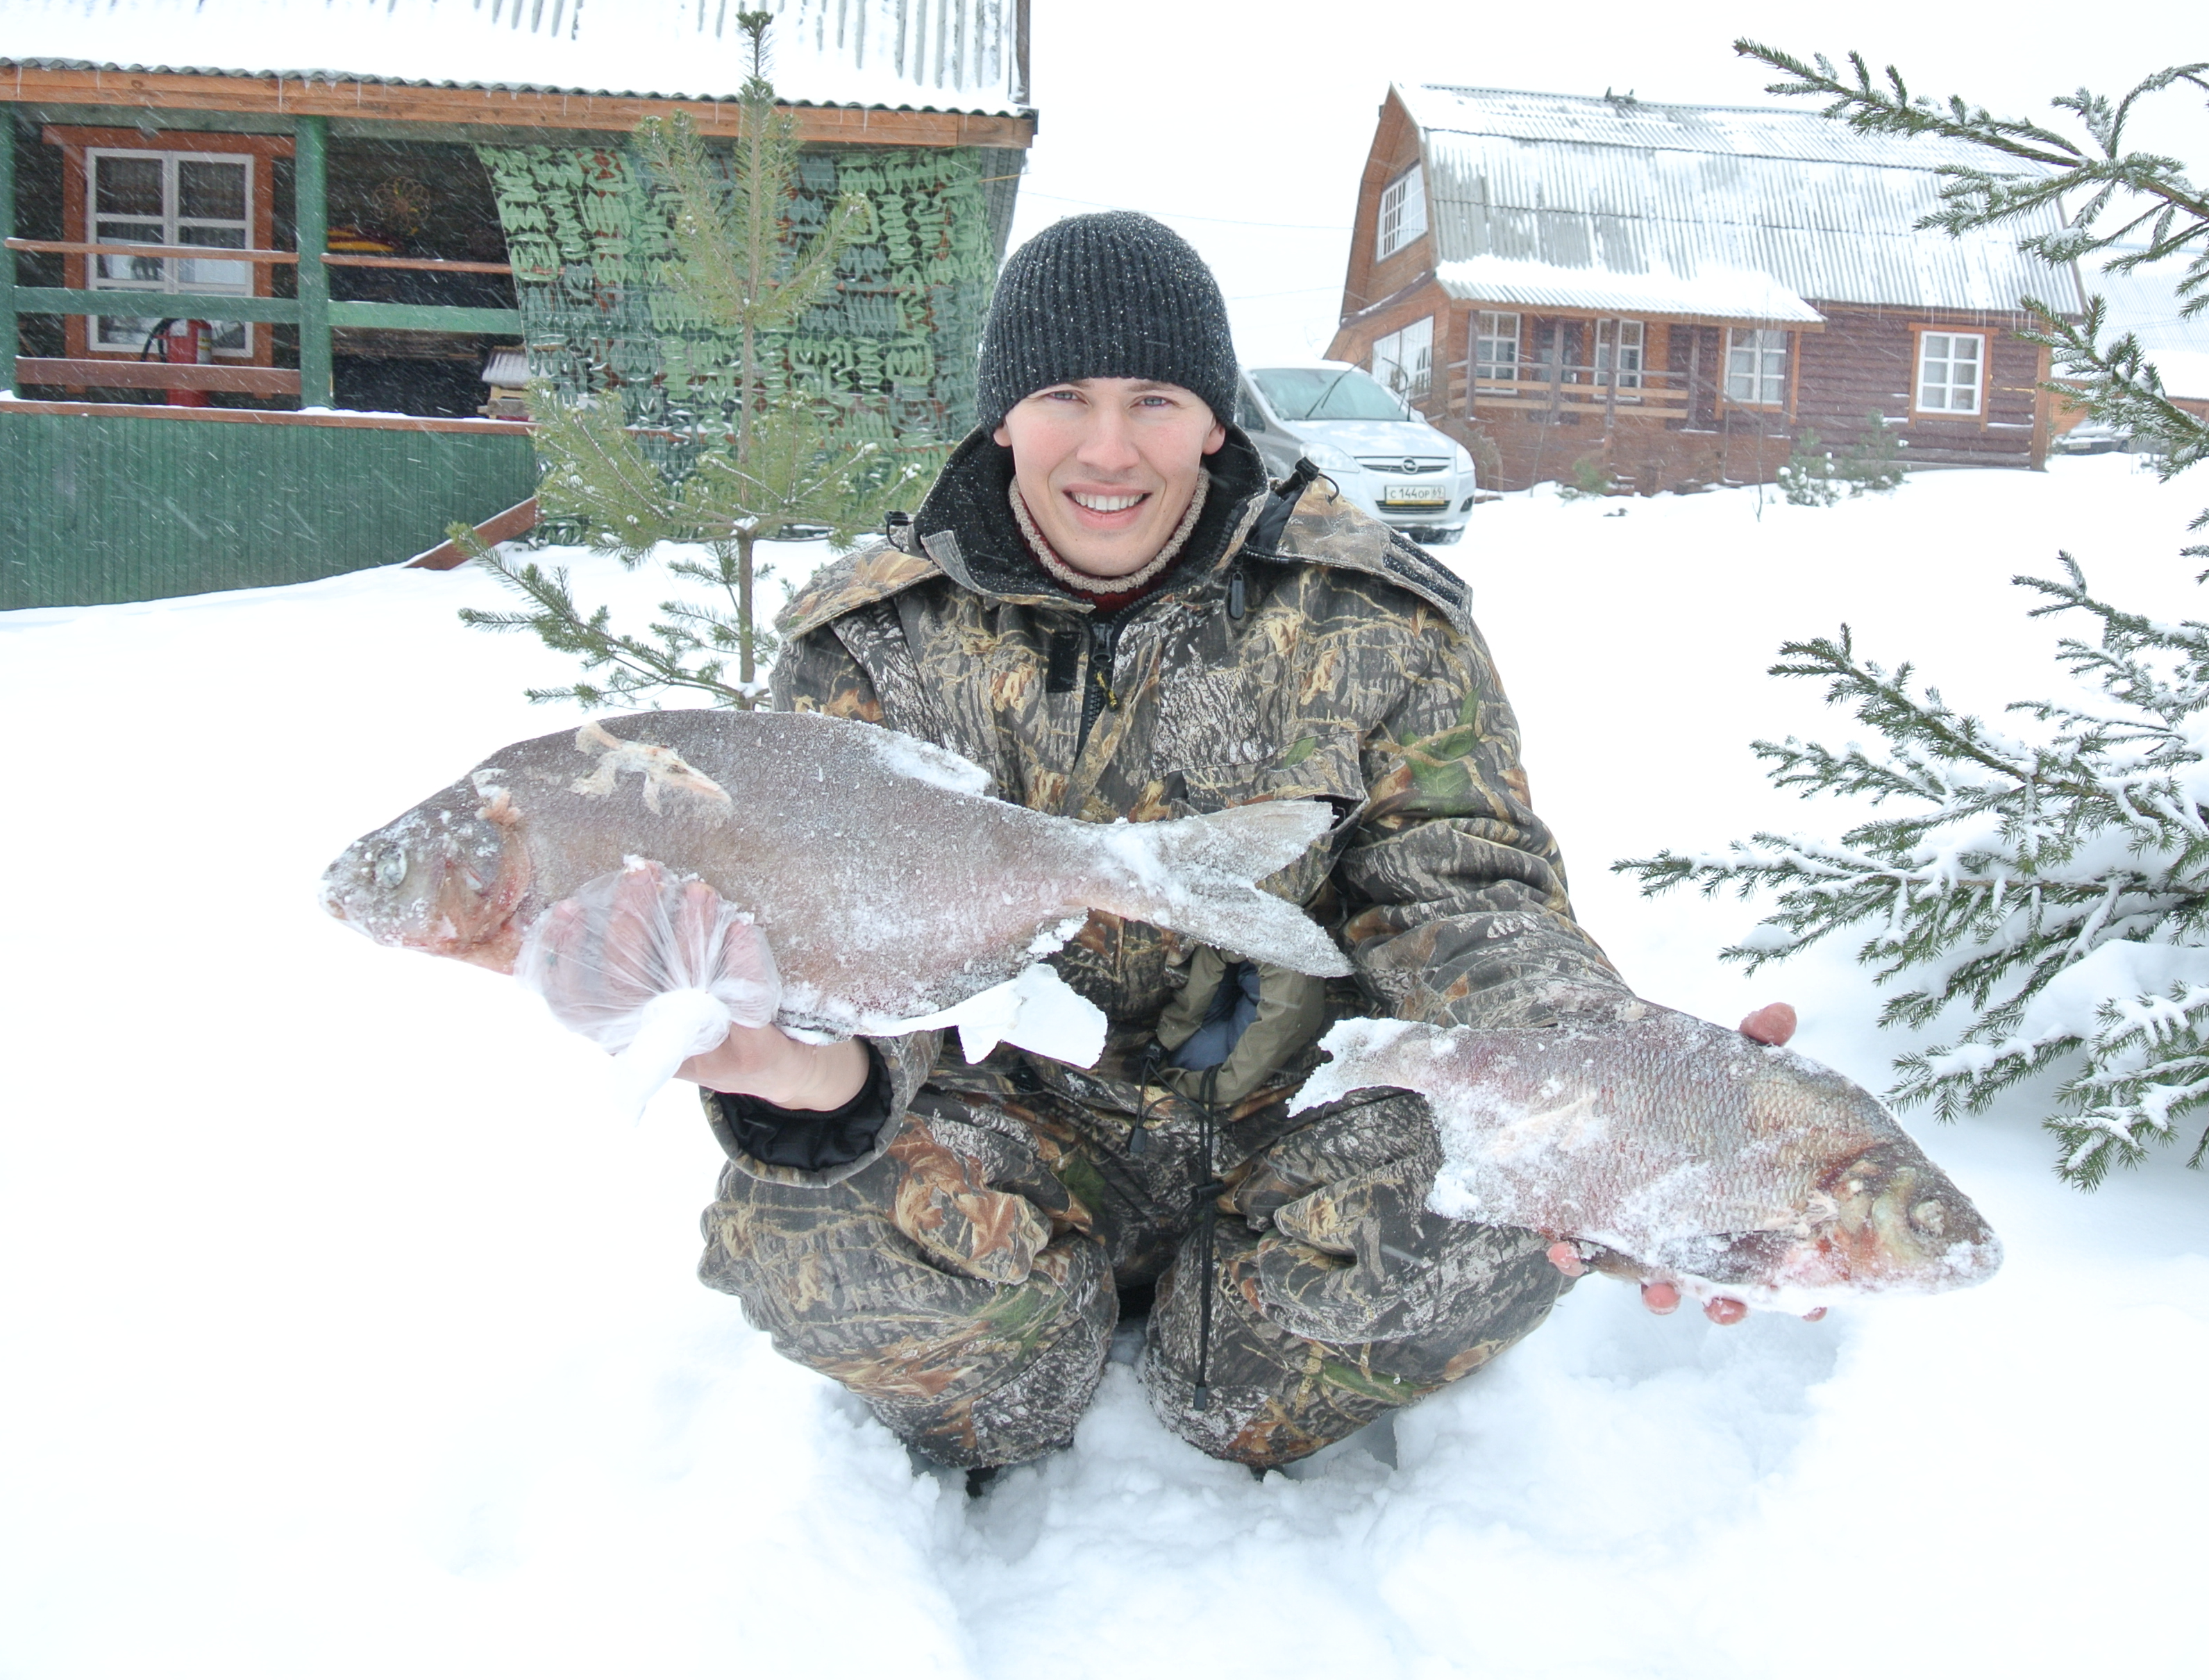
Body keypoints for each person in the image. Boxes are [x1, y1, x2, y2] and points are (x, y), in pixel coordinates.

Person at [658, 211, 1647, 1477]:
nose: (1109, 448)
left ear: (1216, 419)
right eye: (1063, 395)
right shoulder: (867, 645)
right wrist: (829, 1081)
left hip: (1304, 1131)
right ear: (1002, 416)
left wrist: (1602, 1071)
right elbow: (850, 937)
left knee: (1516, 1193)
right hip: (1006, 1135)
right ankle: (1027, 1363)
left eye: (1156, 398)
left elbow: (1466, 894)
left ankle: (1231, 1359)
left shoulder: (1377, 617)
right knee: (814, 1226)